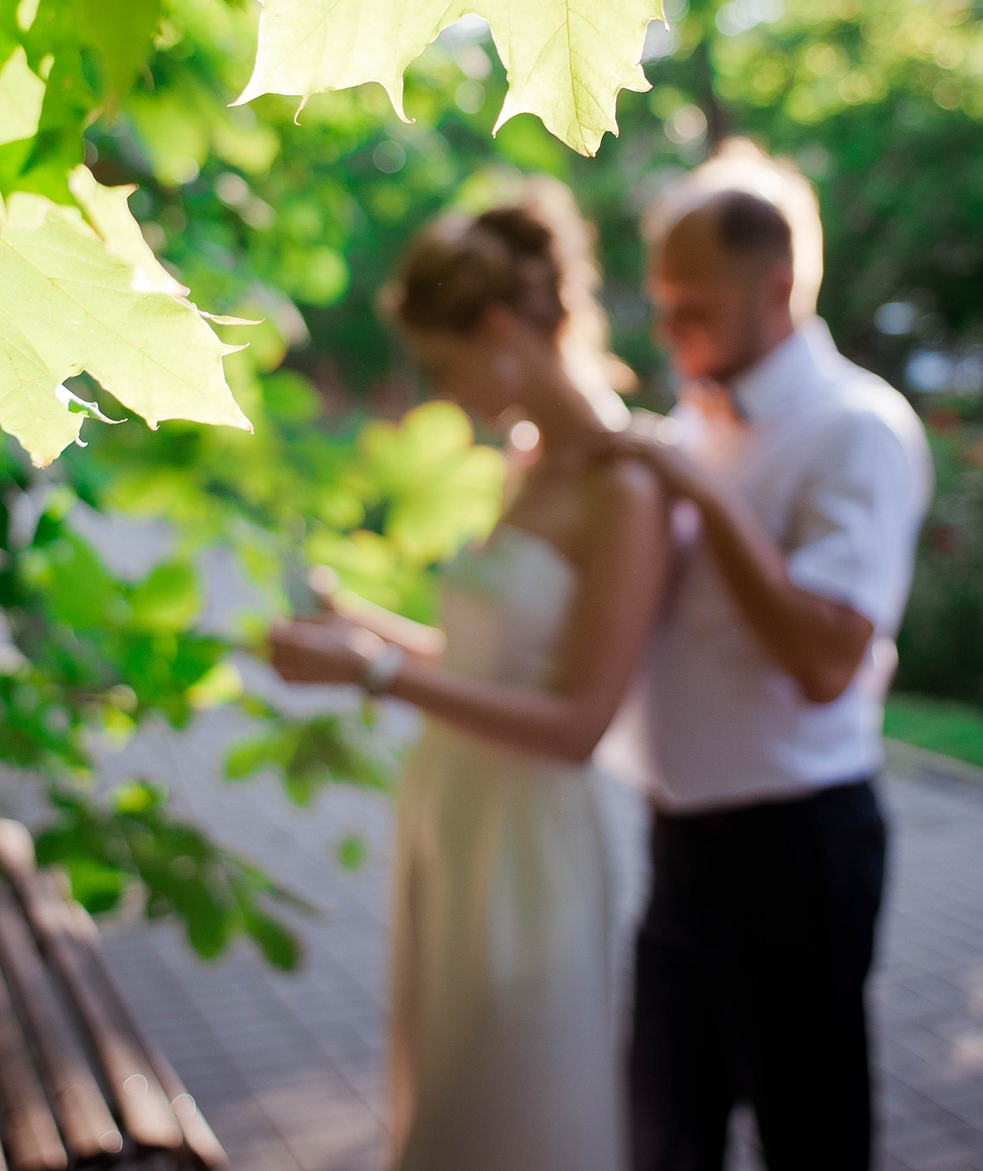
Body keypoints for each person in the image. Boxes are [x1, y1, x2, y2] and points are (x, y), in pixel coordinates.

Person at [264, 183, 669, 1171]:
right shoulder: (526, 459)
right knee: (443, 1088)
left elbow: (576, 719)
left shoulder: (626, 484)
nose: (442, 391)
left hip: (532, 839)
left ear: (498, 328)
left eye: (442, 364)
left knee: (514, 1106)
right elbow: (488, 662)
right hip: (452, 810)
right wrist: (363, 626)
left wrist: (372, 669)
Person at [598, 144, 932, 1171]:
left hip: (796, 847)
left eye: (688, 305)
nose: (667, 331)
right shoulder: (695, 421)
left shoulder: (855, 428)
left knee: (810, 1132)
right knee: (663, 1133)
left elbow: (825, 658)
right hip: (680, 842)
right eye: (659, 305)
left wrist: (699, 492)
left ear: (774, 286)